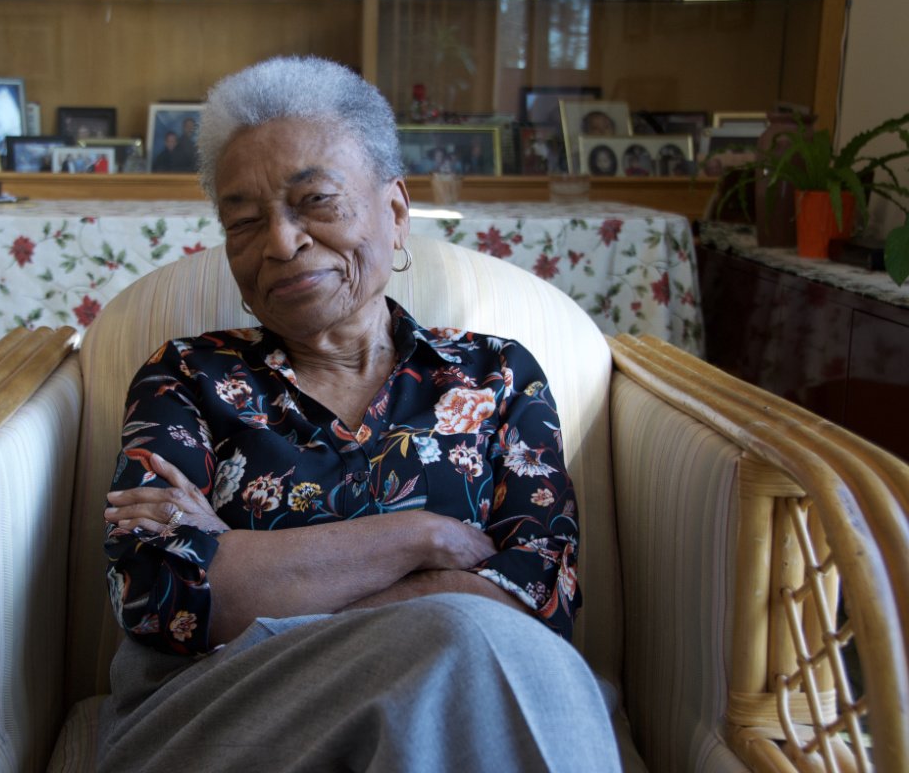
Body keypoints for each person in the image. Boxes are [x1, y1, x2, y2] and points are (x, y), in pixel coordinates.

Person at [98, 55, 619, 772]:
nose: (280, 243)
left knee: (478, 656)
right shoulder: (187, 378)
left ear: (396, 210)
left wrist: (249, 566)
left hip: (452, 700)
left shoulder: (495, 374)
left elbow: (536, 593)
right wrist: (425, 537)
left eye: (317, 203)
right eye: (243, 221)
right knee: (472, 645)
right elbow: (159, 594)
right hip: (220, 715)